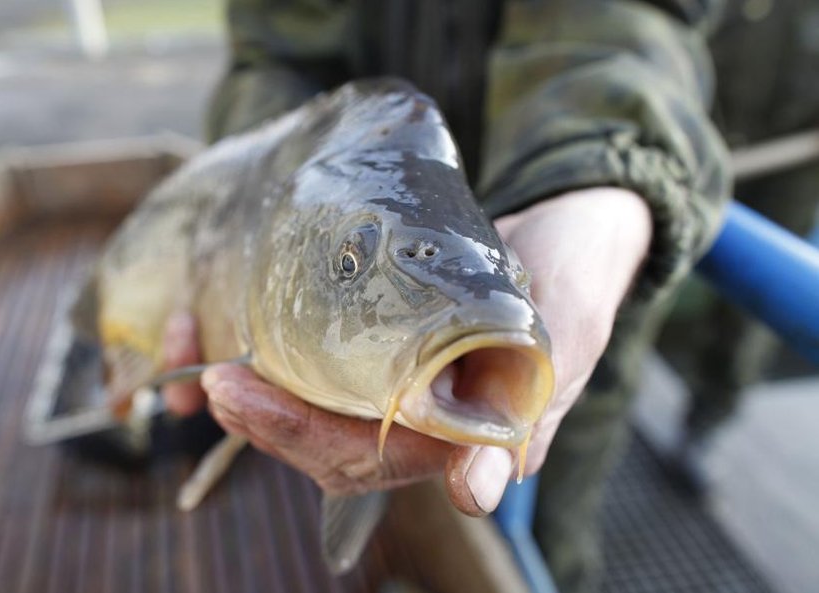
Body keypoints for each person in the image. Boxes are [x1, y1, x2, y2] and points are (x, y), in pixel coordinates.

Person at [164, 2, 731, 592]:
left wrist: (603, 185)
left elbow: (630, 22)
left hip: (563, 267)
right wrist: (274, 192)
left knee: (552, 538)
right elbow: (273, 58)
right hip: (325, 199)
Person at [661, 0, 819, 495]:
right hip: (695, 134)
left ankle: (704, 425)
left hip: (794, 162)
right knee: (646, 273)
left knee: (751, 317)